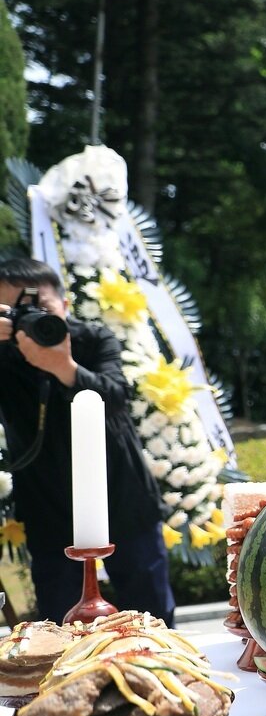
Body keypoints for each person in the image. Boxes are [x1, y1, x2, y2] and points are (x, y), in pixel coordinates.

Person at [0, 258, 175, 625]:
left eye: (40, 308)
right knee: (60, 625)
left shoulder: (92, 338)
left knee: (151, 613)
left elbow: (116, 396)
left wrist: (62, 366)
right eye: (16, 312)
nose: (29, 320)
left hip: (123, 494)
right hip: (47, 504)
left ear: (65, 304)